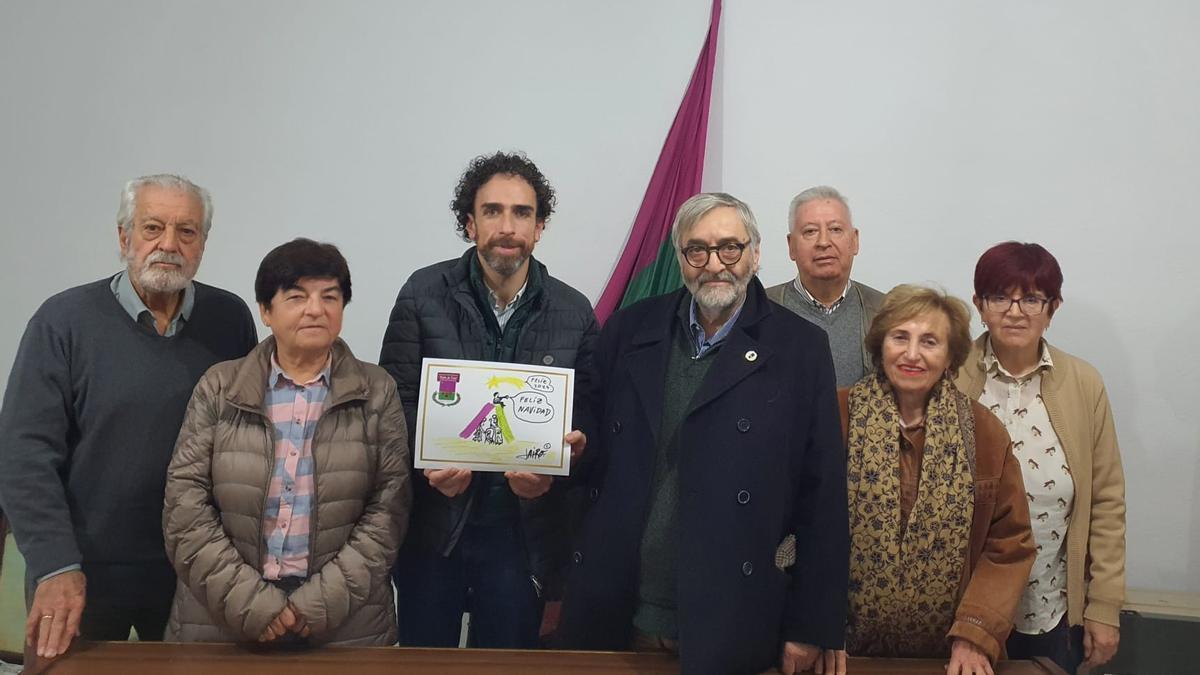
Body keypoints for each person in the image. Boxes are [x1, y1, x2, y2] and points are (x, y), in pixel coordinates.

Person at [558, 193, 848, 675]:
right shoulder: (629, 329)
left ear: (755, 254)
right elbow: (590, 439)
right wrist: (569, 452)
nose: (715, 264)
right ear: (680, 258)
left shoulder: (800, 348)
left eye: (730, 248)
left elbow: (822, 498)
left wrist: (811, 625)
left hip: (731, 616)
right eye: (698, 249)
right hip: (618, 607)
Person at [0, 174, 257, 658]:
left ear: (203, 243)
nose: (169, 244)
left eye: (187, 231)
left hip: (192, 572)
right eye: (152, 227)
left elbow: (246, 443)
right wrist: (55, 565)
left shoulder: (230, 319)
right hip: (81, 573)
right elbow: (22, 455)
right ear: (124, 237)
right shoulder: (63, 321)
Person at [379, 151, 595, 648]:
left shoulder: (574, 311)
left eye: (522, 213)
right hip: (434, 527)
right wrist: (427, 463)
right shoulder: (422, 293)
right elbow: (393, 402)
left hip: (523, 536)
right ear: (470, 223)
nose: (507, 227)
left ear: (540, 226)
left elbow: (589, 418)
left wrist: (567, 460)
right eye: (493, 211)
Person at [162, 238, 410, 645]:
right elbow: (184, 507)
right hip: (221, 617)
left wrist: (318, 603)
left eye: (330, 296)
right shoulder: (219, 388)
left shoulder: (377, 391)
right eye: (296, 297)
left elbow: (389, 511)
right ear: (266, 310)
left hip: (345, 622)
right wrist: (252, 603)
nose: (315, 309)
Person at [815, 285, 1035, 675]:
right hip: (840, 654)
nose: (912, 354)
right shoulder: (834, 417)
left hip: (947, 658)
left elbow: (1008, 546)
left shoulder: (984, 433)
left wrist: (975, 635)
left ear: (950, 357)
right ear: (880, 346)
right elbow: (798, 530)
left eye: (930, 342)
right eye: (900, 337)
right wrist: (811, 629)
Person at [957, 242, 1125, 673]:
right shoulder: (950, 375)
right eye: (1000, 296)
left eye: (1031, 299)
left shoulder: (1083, 384)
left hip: (1049, 611)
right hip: (960, 613)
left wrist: (1104, 606)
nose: (1015, 311)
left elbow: (1106, 501)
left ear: (1052, 308)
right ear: (979, 304)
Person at [765, 186, 884, 387]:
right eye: (810, 231)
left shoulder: (885, 311)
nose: (823, 242)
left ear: (854, 240)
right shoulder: (760, 309)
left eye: (835, 229)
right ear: (791, 245)